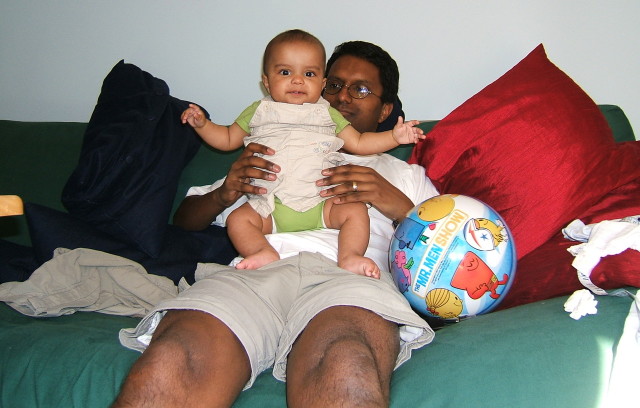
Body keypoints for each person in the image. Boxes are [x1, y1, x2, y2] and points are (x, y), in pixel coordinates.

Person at [112, 40, 437, 408]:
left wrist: (396, 204)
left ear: (385, 109)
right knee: (171, 361)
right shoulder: (269, 149)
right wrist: (226, 192)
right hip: (257, 273)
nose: (342, 96)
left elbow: (445, 250)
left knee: (345, 365)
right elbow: (184, 221)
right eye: (334, 84)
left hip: (347, 283)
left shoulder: (405, 175)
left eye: (360, 89)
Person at [180, 30, 423, 278]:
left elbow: (359, 143)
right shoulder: (258, 128)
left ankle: (350, 256)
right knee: (238, 219)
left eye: (360, 89)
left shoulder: (330, 117)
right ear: (267, 82)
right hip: (268, 225)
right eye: (285, 72)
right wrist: (204, 128)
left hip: (329, 228)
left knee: (356, 211)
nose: (342, 96)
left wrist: (394, 139)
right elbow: (226, 140)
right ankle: (262, 252)